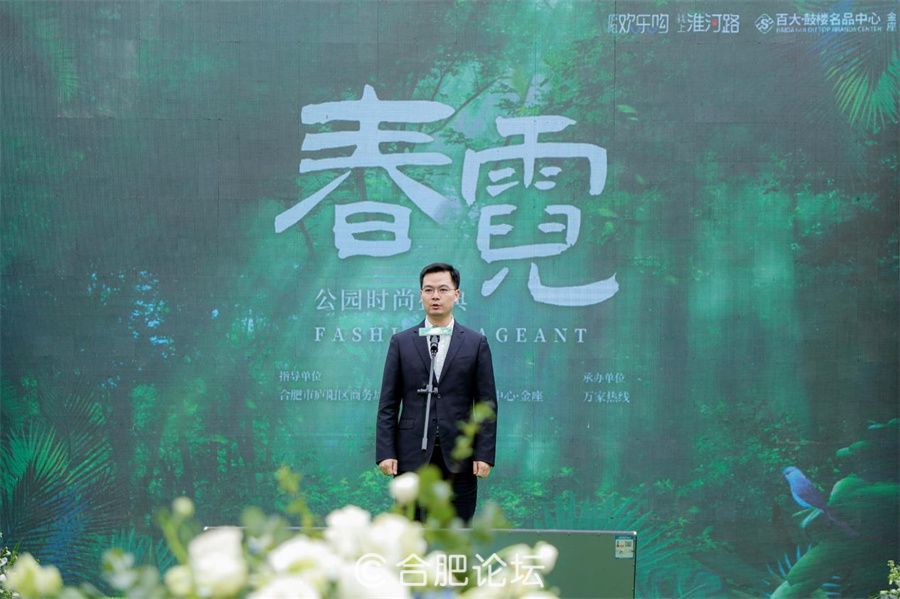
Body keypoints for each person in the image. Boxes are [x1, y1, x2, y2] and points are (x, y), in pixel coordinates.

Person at [375, 262, 497, 522]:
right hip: (411, 454)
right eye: (428, 290)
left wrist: (484, 454)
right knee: (411, 529)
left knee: (457, 528)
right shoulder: (402, 342)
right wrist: (386, 452)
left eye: (443, 289)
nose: (435, 296)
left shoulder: (475, 343)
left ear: (457, 294)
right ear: (420, 294)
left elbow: (486, 404)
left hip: (460, 456)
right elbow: (388, 403)